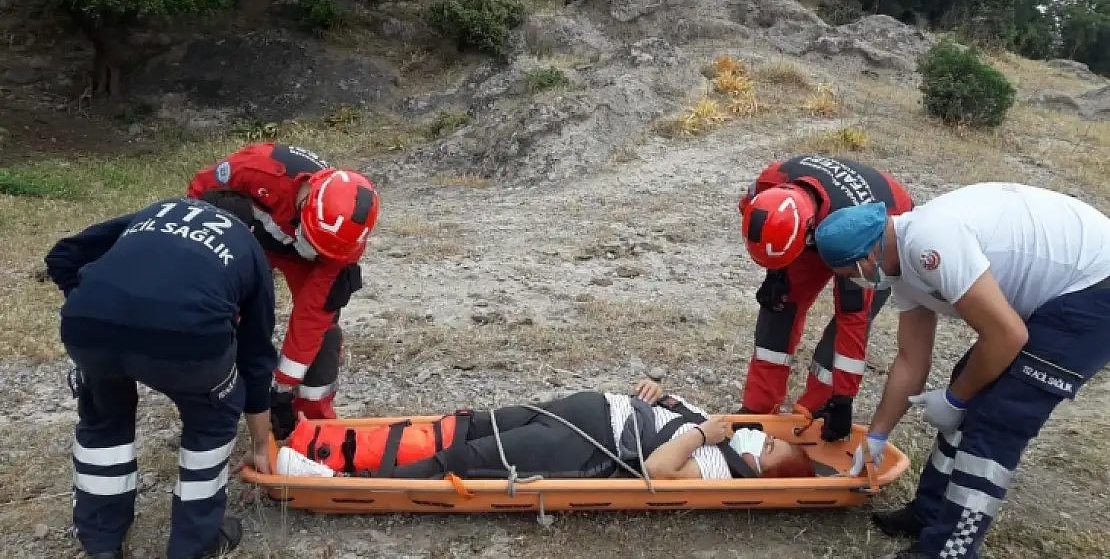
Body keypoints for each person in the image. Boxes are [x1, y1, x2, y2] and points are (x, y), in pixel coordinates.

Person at [811, 182, 1110, 559]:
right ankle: (930, 513)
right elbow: (910, 359)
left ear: (866, 258)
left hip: (1095, 289)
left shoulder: (928, 243)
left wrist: (956, 400)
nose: (851, 281)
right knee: (970, 381)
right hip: (1062, 289)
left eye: (847, 273)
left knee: (997, 420)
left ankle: (952, 548)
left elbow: (1006, 335)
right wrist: (878, 436)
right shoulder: (897, 261)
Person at [43, 190, 280, 559]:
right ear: (248, 225)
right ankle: (195, 544)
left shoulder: (157, 211)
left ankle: (102, 543)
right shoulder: (248, 247)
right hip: (187, 339)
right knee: (214, 415)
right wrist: (262, 445)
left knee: (105, 418)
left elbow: (63, 255)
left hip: (89, 326)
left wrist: (93, 306)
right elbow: (256, 356)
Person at [187, 143, 380, 436]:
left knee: (322, 331)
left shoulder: (346, 241)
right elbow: (200, 198)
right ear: (306, 206)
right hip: (251, 241)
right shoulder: (256, 169)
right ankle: (215, 406)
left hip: (306, 262)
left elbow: (313, 311)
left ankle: (311, 423)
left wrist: (284, 383)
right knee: (224, 313)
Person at [280, 378, 818, 481]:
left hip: (587, 447)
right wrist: (656, 392)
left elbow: (657, 469)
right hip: (591, 408)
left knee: (467, 464)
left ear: (768, 470)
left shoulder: (719, 470)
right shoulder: (720, 432)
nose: (759, 438)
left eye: (768, 446)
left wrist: (703, 436)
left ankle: (334, 483)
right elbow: (666, 411)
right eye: (769, 435)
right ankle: (329, 448)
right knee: (463, 429)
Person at [736, 154, 915, 441]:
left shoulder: (858, 241)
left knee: (841, 334)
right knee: (779, 308)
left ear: (808, 234)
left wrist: (843, 399)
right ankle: (758, 409)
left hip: (871, 233)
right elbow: (761, 229)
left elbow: (852, 325)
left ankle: (816, 411)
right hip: (818, 217)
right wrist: (776, 273)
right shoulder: (767, 184)